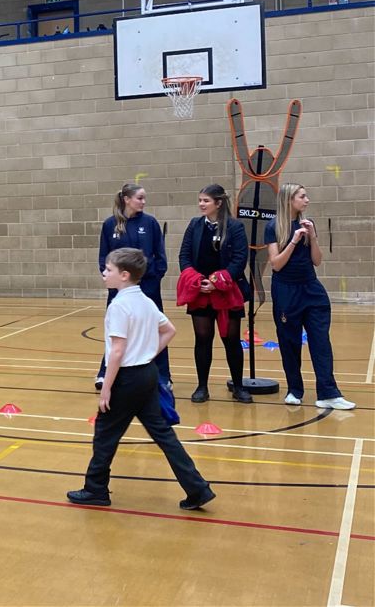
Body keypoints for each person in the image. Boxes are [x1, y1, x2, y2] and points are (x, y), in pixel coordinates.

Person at [67, 248, 216, 510]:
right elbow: (169, 330)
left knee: (105, 433)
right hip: (148, 374)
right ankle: (198, 488)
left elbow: (117, 351)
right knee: (164, 434)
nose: (104, 272)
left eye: (109, 269)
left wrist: (107, 388)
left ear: (124, 275)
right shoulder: (147, 302)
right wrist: (148, 352)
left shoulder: (119, 306)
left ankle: (96, 489)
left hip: (126, 378)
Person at [265, 184, 355, 410]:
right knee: (290, 342)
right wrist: (294, 240)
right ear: (289, 200)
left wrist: (312, 237)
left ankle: (328, 392)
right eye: (302, 196)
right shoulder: (273, 226)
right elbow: (276, 265)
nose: (307, 200)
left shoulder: (308, 224)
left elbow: (317, 260)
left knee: (321, 341)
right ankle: (295, 389)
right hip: (286, 291)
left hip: (311, 290)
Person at [177, 184, 252, 404]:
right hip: (200, 292)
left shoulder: (236, 227)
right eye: (200, 200)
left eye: (206, 201)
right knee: (202, 339)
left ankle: (238, 386)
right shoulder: (194, 225)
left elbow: (240, 259)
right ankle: (202, 386)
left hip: (227, 291)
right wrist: (197, 281)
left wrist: (218, 282)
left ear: (218, 203)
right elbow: (184, 256)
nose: (201, 204)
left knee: (231, 339)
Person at [95, 183, 170, 390]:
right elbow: (104, 256)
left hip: (148, 286)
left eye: (144, 198)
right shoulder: (111, 225)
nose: (143, 202)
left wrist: (155, 277)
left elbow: (160, 255)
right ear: (127, 199)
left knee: (155, 328)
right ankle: (106, 371)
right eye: (140, 198)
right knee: (116, 330)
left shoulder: (150, 223)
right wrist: (110, 278)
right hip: (120, 289)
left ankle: (163, 374)